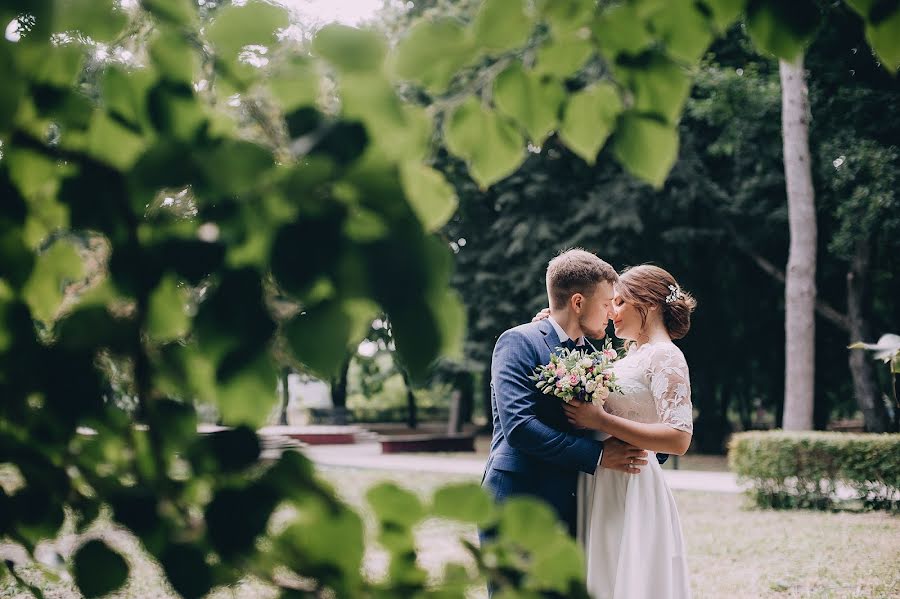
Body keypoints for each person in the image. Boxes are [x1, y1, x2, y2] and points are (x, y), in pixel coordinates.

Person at [480, 249, 651, 558]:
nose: (612, 314)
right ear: (577, 302)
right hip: (518, 498)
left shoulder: (596, 359)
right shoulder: (519, 341)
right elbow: (519, 427)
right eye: (605, 304)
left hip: (573, 504)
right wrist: (598, 455)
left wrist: (651, 450)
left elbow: (613, 415)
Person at [552, 264, 697, 599]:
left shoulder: (666, 356)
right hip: (603, 476)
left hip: (632, 479)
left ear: (646, 304)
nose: (610, 311)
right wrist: (555, 322)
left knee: (629, 575)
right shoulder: (632, 354)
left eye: (618, 302)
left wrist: (602, 422)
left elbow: (679, 438)